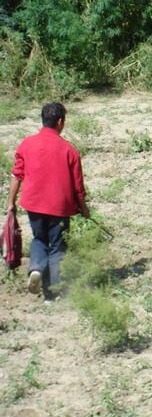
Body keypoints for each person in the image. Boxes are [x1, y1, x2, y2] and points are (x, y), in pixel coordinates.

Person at [6, 102, 90, 300]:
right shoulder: (70, 150)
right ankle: (52, 293)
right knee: (57, 246)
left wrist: (11, 203)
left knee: (39, 239)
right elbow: (78, 188)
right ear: (60, 122)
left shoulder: (26, 144)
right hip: (60, 207)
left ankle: (35, 268)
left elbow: (16, 175)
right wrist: (84, 209)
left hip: (33, 204)